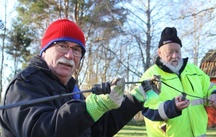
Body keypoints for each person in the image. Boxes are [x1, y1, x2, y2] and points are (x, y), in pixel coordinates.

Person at [0, 19, 145, 137]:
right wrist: (90, 108)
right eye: (62, 46)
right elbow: (39, 131)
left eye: (76, 50)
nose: (69, 55)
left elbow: (96, 131)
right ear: (44, 50)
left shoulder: (72, 88)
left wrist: (134, 100)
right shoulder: (24, 84)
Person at [131, 27, 216, 137]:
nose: (175, 56)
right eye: (170, 52)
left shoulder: (193, 70)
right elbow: (148, 108)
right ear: (160, 53)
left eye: (177, 51)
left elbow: (209, 86)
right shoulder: (152, 76)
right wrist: (172, 107)